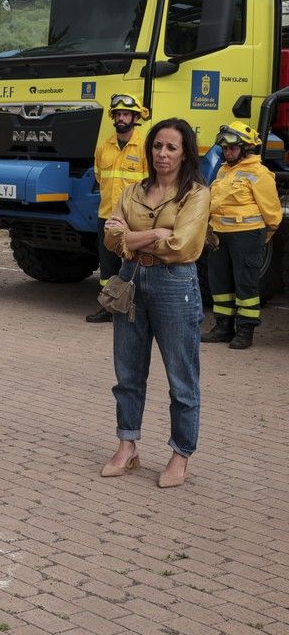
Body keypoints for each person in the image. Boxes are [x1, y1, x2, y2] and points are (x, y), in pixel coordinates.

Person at [101, 118, 208, 488]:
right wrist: (149, 234)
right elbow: (111, 237)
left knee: (181, 377)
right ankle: (127, 445)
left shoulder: (196, 194)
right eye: (157, 146)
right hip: (131, 279)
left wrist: (131, 237)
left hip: (173, 285)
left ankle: (181, 454)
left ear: (184, 153)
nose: (162, 154)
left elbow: (182, 245)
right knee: (128, 372)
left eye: (171, 148)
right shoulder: (132, 190)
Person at [201, 122, 282, 349]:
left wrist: (262, 237)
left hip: (246, 237)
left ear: (245, 148)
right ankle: (222, 327)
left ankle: (245, 330)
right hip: (220, 235)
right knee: (220, 282)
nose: (228, 153)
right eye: (225, 149)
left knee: (245, 285)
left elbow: (272, 212)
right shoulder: (224, 170)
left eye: (233, 149)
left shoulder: (259, 173)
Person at [87, 94, 149, 322]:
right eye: (118, 115)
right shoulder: (105, 145)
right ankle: (109, 308)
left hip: (134, 218)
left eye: (126, 114)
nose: (122, 118)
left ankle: (138, 309)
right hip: (107, 215)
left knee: (136, 264)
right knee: (108, 266)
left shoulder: (144, 146)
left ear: (134, 117)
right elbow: (98, 175)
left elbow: (152, 183)